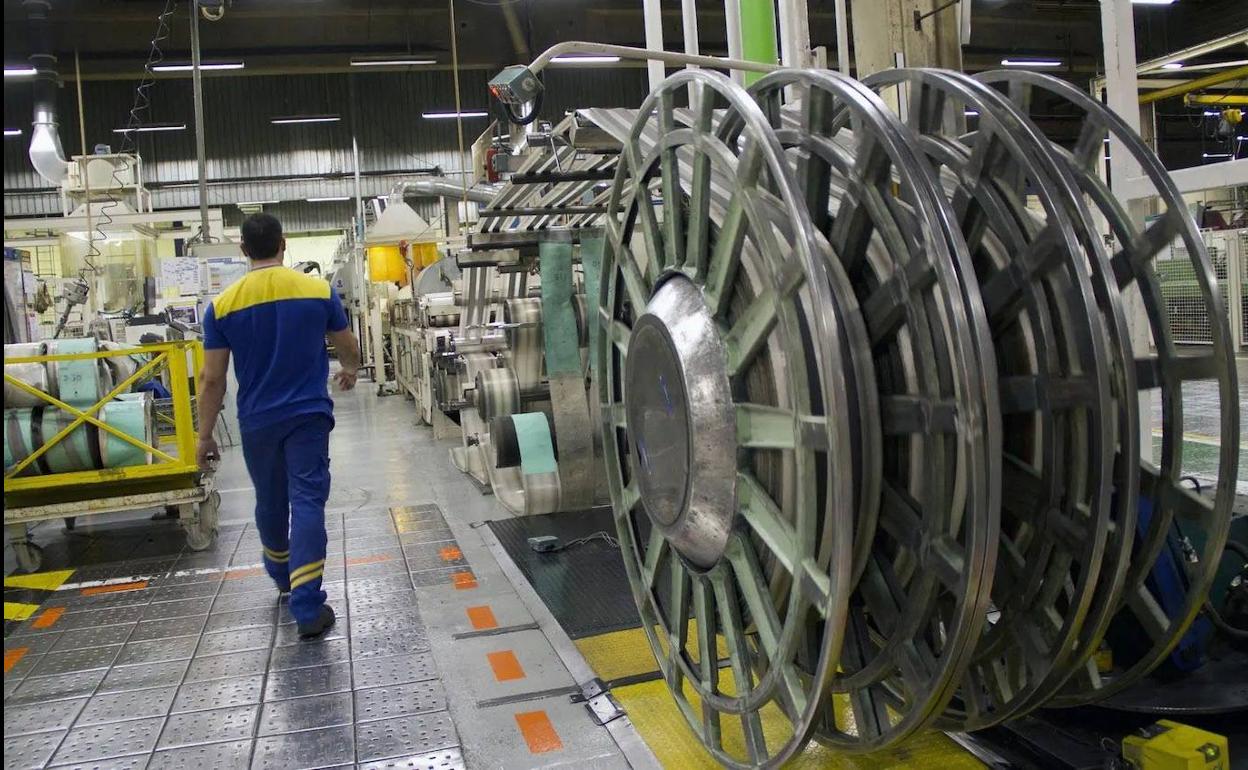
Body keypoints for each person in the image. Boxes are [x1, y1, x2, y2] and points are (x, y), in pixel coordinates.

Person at [196, 213, 361, 639]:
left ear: (242, 251)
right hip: (307, 417)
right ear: (283, 244)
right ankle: (307, 607)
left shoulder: (222, 306)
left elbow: (212, 379)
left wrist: (204, 433)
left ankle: (283, 576)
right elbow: (345, 343)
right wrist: (350, 368)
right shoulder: (316, 290)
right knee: (307, 500)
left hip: (257, 422)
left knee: (270, 502)